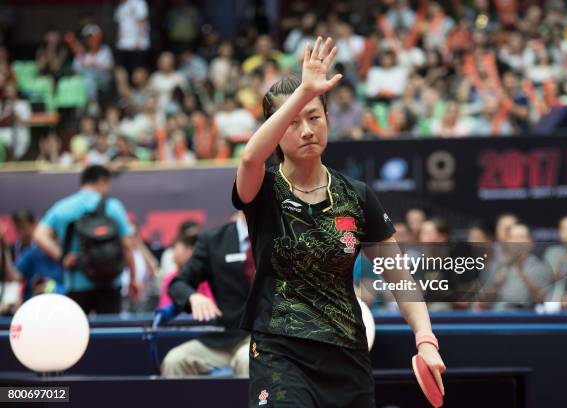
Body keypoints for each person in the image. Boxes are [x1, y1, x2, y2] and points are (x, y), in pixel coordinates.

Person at [233, 37, 444, 407]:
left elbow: (398, 276)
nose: (307, 130)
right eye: (293, 122)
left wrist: (425, 339)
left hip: (347, 356)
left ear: (328, 119)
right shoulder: (263, 188)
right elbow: (251, 157)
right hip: (280, 352)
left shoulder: (357, 195)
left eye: (314, 117)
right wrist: (304, 92)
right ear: (276, 131)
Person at [33, 165, 138, 314]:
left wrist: (62, 257)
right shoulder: (113, 206)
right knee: (111, 332)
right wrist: (133, 278)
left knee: (77, 334)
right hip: (110, 284)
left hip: (76, 285)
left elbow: (39, 235)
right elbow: (127, 245)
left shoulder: (63, 207)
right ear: (102, 181)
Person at [162, 212, 253, 378]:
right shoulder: (213, 240)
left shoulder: (282, 233)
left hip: (267, 338)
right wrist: (193, 296)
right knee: (174, 361)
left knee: (247, 360)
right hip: (224, 338)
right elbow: (178, 283)